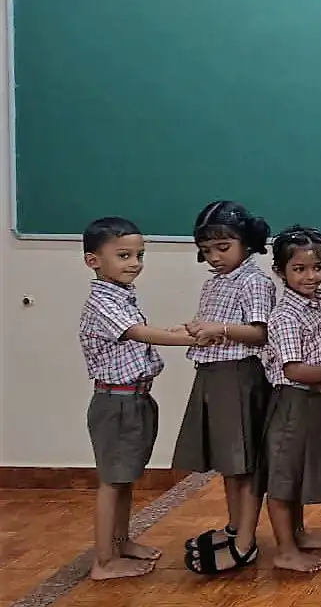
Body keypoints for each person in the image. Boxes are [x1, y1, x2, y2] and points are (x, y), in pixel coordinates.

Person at [80, 216, 199, 580]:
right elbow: (138, 333)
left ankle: (121, 542)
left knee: (126, 477)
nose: (134, 263)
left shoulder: (122, 295)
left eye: (139, 255)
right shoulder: (102, 302)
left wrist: (182, 329)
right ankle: (104, 561)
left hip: (135, 400)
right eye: (123, 255)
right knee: (112, 481)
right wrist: (193, 338)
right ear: (93, 260)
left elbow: (144, 333)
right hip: (116, 403)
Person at [172, 201, 275, 575]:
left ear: (247, 243)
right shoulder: (215, 282)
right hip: (214, 374)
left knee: (245, 463)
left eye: (222, 248)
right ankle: (234, 527)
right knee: (230, 464)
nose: (214, 257)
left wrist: (221, 330)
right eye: (206, 251)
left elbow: (262, 332)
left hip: (239, 376)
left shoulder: (255, 281)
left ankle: (246, 541)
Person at [256, 226, 321, 573]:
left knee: (299, 471)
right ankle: (285, 549)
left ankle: (298, 533)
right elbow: (294, 369)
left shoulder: (318, 304)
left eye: (317, 267)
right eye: (299, 269)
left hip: (316, 403)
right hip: (294, 402)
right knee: (284, 477)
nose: (310, 276)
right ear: (280, 271)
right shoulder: (285, 315)